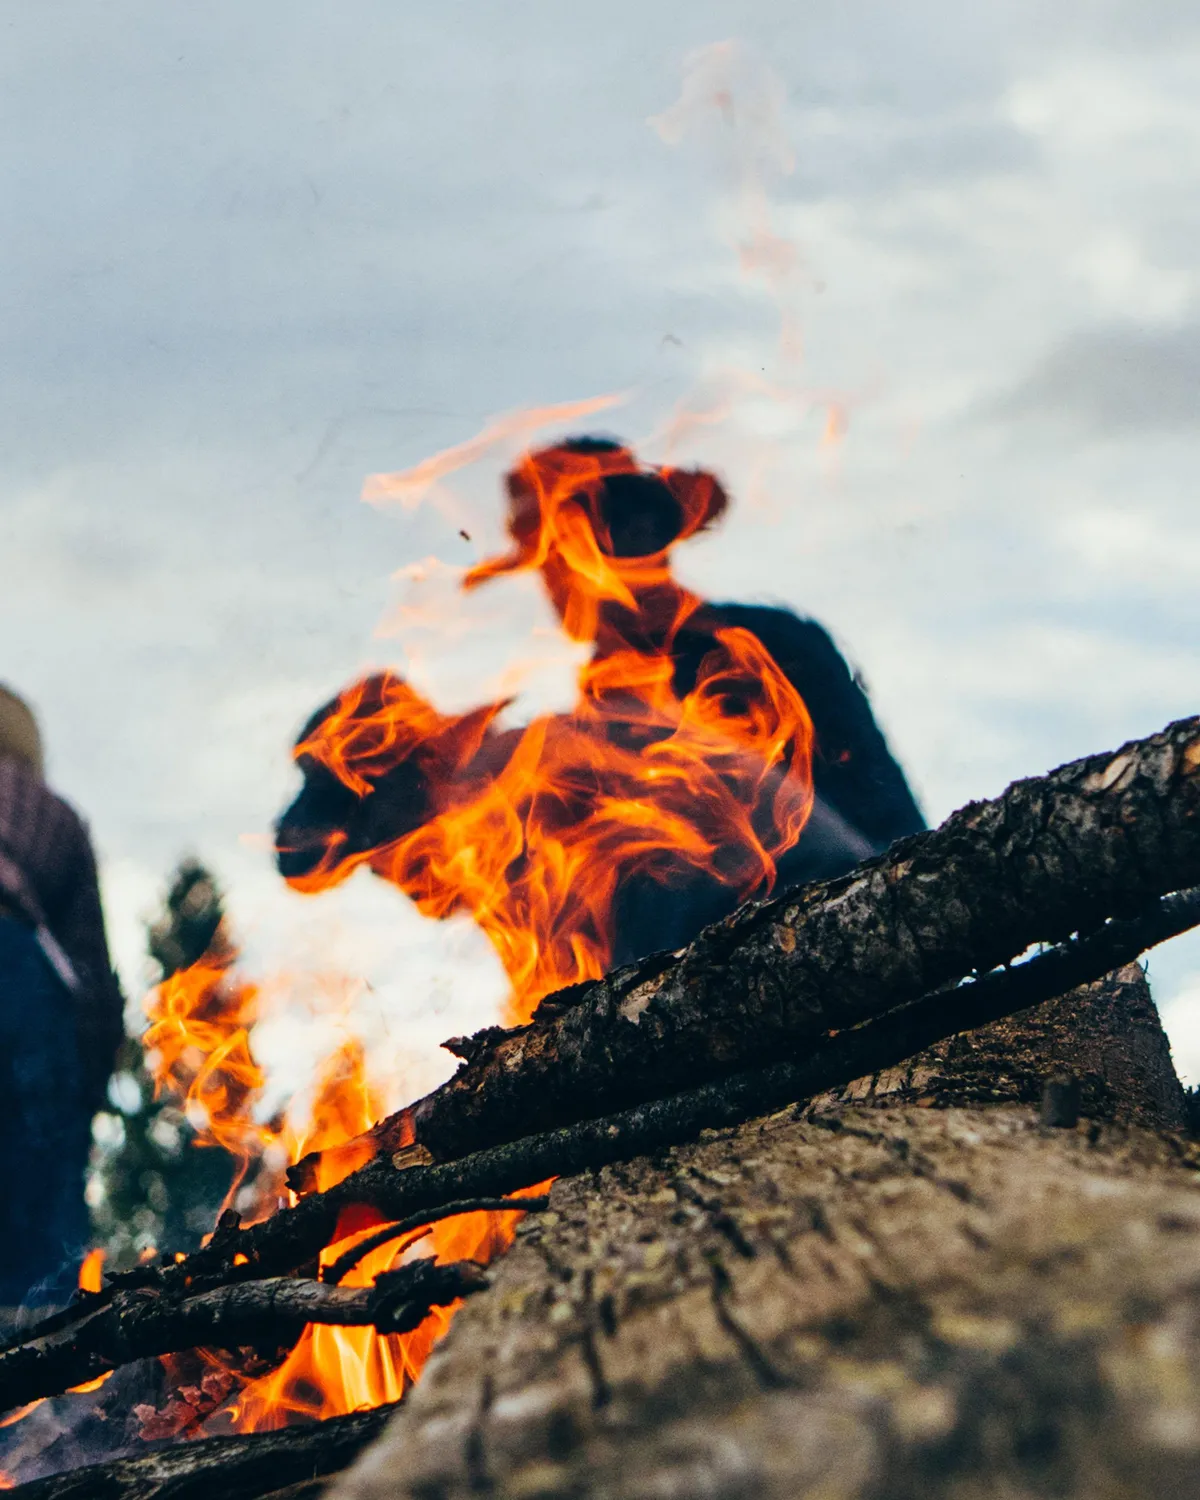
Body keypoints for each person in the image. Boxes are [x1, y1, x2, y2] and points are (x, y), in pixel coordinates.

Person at [276, 439, 925, 985]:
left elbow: (879, 822)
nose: (543, 570)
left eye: (553, 538)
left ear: (637, 531)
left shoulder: (753, 650)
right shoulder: (592, 717)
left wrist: (910, 913)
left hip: (846, 925)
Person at [0, 686, 123, 1306]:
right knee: (37, 1184)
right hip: (15, 966)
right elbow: (93, 980)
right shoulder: (52, 813)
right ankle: (36, 1371)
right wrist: (87, 1094)